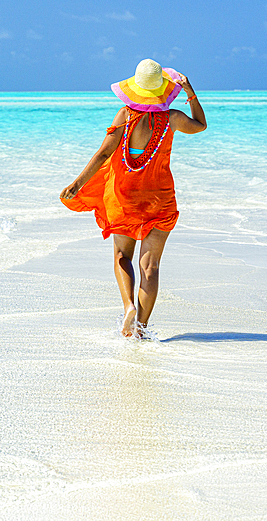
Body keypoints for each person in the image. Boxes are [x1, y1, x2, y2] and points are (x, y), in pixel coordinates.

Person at [60, 59, 207, 337]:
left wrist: (77, 184)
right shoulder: (172, 119)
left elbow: (103, 154)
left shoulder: (125, 116)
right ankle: (141, 329)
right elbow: (200, 125)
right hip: (160, 199)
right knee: (149, 267)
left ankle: (129, 306)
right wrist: (190, 92)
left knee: (121, 256)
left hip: (125, 197)